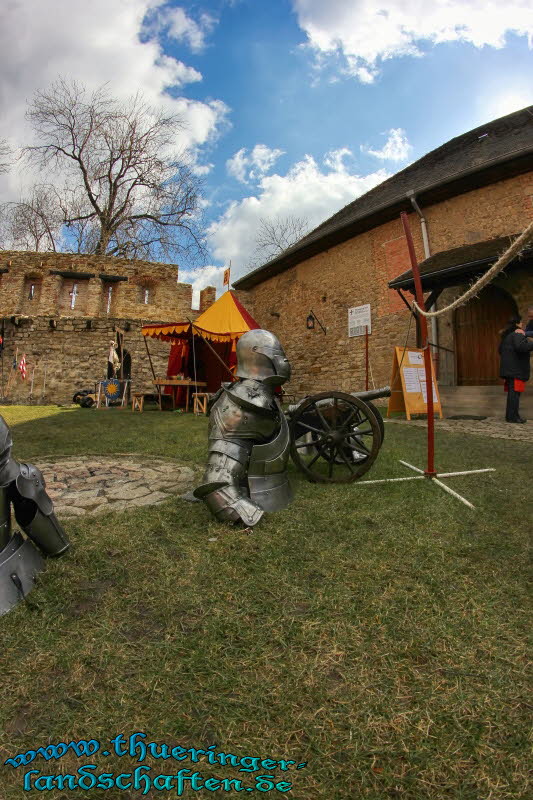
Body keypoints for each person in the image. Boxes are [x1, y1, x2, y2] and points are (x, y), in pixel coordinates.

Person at [498, 316, 533, 423]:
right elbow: (521, 347)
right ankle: (513, 417)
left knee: (513, 394)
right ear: (517, 324)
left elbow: (500, 351)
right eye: (521, 323)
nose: (522, 325)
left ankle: (511, 416)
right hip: (515, 370)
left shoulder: (507, 336)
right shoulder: (517, 334)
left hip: (510, 370)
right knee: (514, 394)